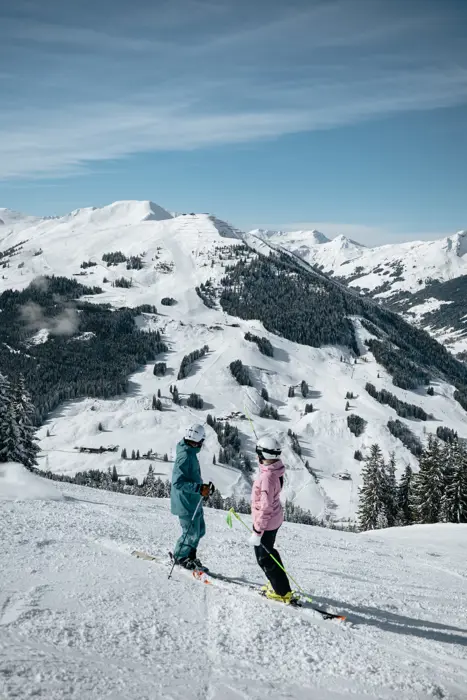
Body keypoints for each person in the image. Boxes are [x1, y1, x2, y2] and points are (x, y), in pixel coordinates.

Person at [249, 436, 297, 604]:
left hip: (266, 523)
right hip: (274, 520)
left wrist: (257, 530)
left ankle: (281, 592)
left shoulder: (267, 478)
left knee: (264, 558)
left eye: (258, 453)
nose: (256, 457)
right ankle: (276, 584)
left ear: (262, 455)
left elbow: (265, 507)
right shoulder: (275, 470)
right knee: (269, 553)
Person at [171, 424, 213, 571]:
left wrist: (202, 489)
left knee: (199, 531)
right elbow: (177, 482)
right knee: (190, 533)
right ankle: (180, 557)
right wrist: (198, 488)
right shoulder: (184, 456)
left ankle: (191, 556)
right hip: (185, 502)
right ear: (198, 440)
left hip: (193, 500)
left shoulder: (190, 452)